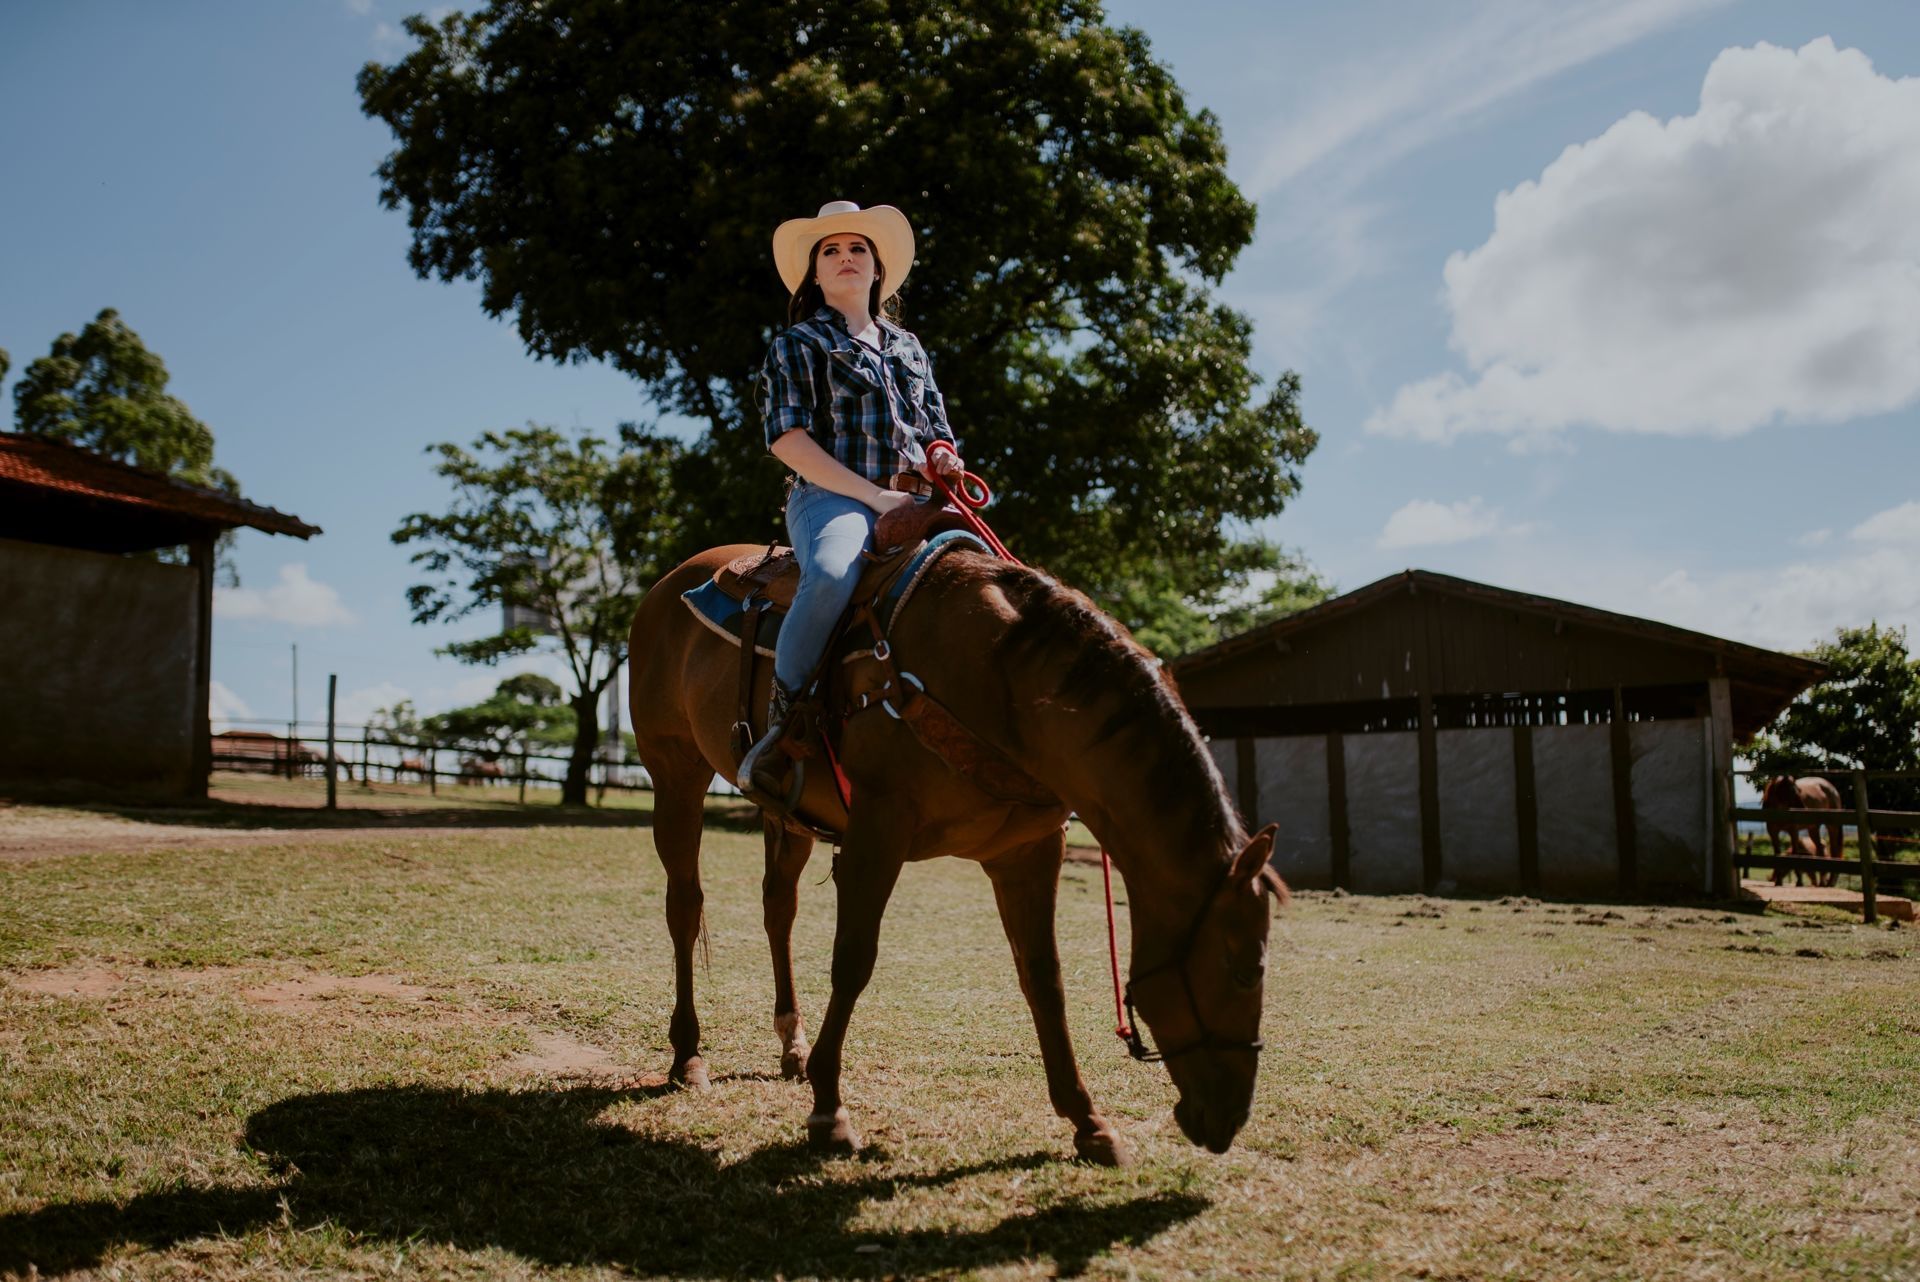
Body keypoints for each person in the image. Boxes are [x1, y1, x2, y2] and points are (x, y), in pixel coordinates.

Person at [736, 200, 964, 801]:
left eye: (857, 248)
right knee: (834, 572)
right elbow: (787, 440)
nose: (844, 258)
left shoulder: (909, 347)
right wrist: (874, 497)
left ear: (877, 267)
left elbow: (935, 425)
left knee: (996, 579)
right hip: (832, 499)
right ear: (815, 273)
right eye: (830, 251)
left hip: (915, 501)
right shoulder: (798, 344)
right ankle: (782, 725)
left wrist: (943, 456)